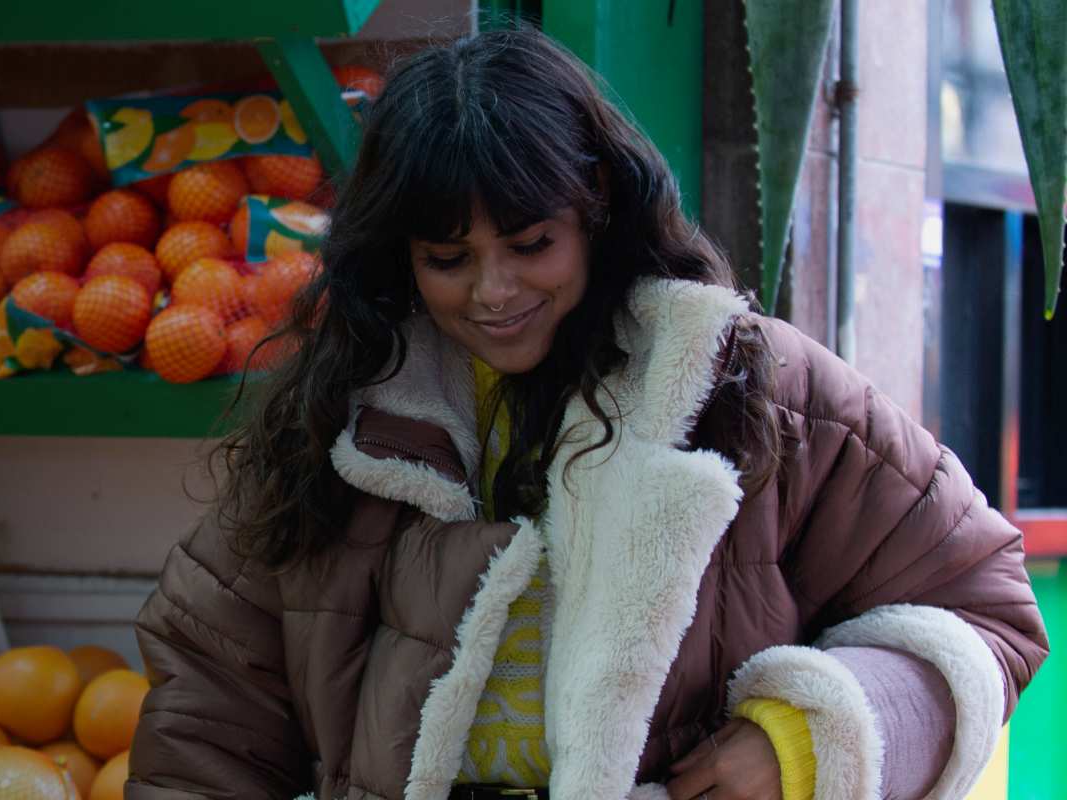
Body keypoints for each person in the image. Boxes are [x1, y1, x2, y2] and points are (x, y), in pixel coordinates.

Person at [128, 27, 1046, 800]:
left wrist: (801, 743)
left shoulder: (750, 387)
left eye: (532, 245)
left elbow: (984, 613)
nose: (494, 291)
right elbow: (211, 696)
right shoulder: (337, 409)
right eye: (448, 258)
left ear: (598, 206)